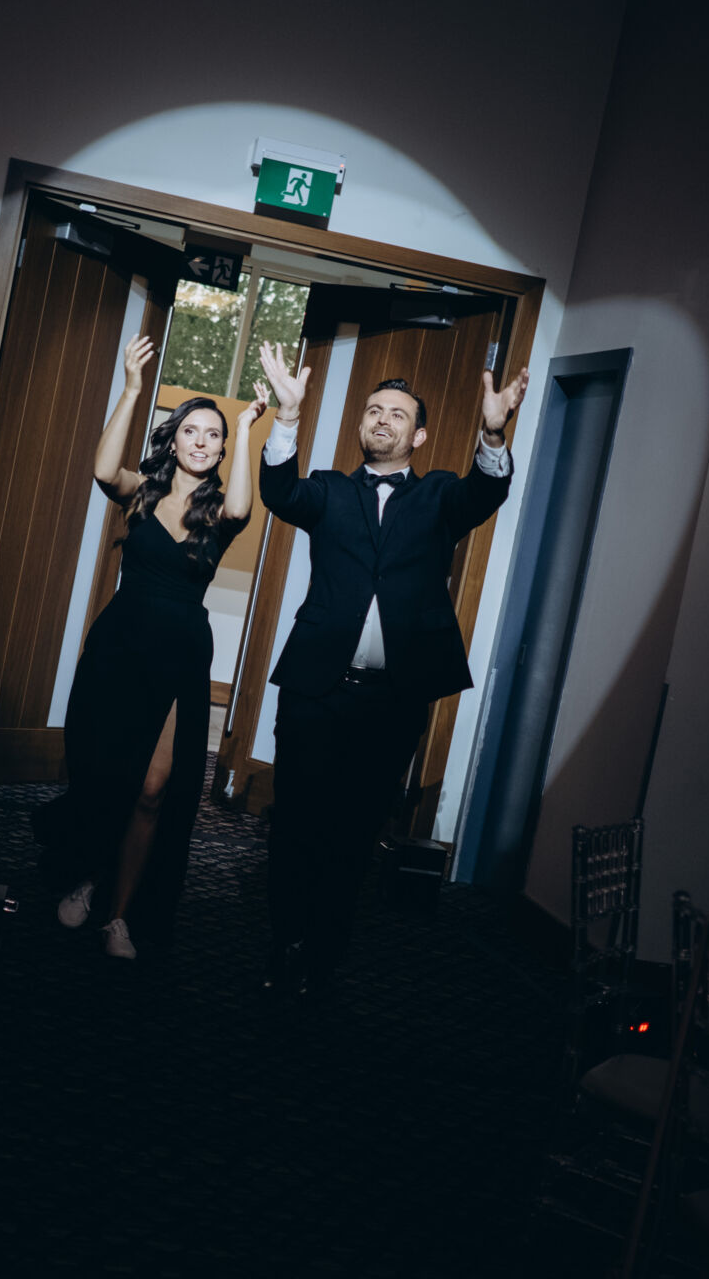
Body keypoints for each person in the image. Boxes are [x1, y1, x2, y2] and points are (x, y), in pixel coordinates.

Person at [256, 339, 529, 996]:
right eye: (374, 410)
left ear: (419, 435)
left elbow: (487, 490)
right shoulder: (327, 490)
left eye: (398, 414)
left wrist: (494, 431)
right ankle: (283, 944)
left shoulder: (439, 496)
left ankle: (323, 959)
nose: (383, 419)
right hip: (316, 692)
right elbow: (279, 491)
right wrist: (287, 416)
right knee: (296, 824)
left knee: (354, 834)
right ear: (361, 425)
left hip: (392, 701)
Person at [42, 335, 260, 959]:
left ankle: (120, 915)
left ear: (221, 448)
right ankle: (88, 876)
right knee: (103, 773)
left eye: (213, 435)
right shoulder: (141, 490)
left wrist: (247, 429)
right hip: (120, 644)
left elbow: (243, 505)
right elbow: (102, 470)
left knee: (153, 788)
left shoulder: (218, 512)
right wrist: (134, 388)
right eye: (191, 430)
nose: (201, 442)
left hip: (180, 654)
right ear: (175, 438)